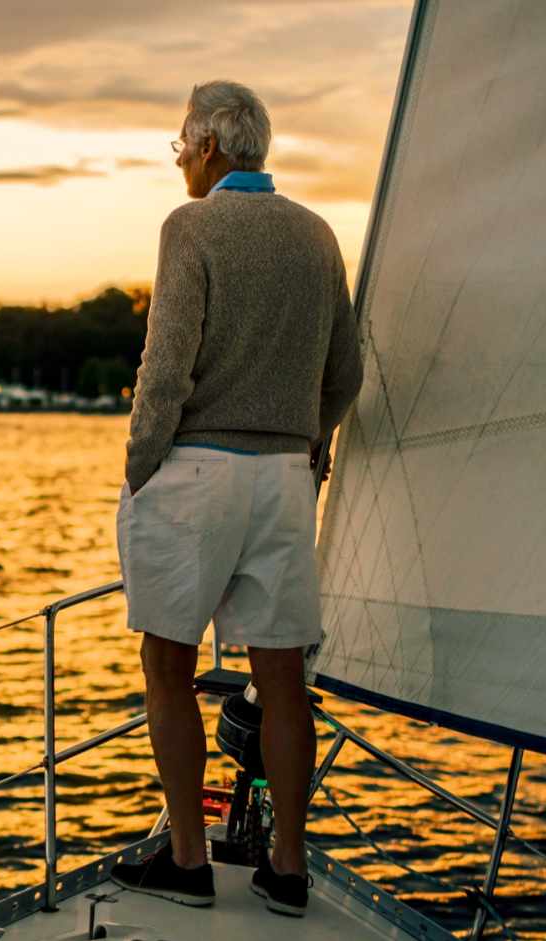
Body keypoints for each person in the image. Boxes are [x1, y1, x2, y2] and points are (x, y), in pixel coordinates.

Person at [110, 80, 363, 917]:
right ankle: (287, 868)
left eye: (181, 143)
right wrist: (305, 437)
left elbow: (166, 367)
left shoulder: (191, 227)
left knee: (167, 665)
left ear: (210, 145)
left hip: (195, 473)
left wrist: (140, 465)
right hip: (287, 479)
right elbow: (347, 375)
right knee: (282, 677)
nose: (179, 157)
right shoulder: (318, 235)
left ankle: (188, 857)